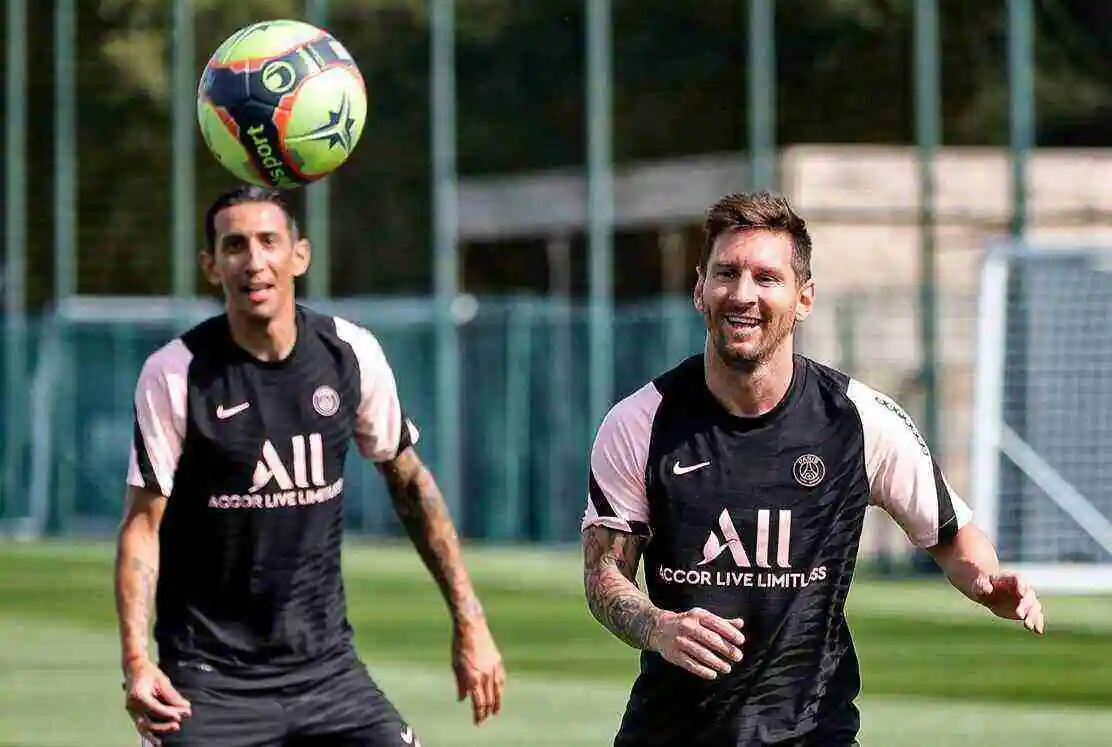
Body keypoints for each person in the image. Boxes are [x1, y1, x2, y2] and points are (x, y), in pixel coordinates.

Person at [579, 190, 1045, 747]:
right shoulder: (641, 422)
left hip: (811, 731)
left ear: (804, 298)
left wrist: (986, 582)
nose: (742, 295)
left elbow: (951, 536)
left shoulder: (860, 420)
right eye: (726, 273)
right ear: (700, 289)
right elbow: (604, 575)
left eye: (766, 277)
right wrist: (657, 626)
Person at [115, 185, 506, 746]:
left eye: (269, 241)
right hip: (208, 683)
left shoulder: (351, 353)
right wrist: (137, 661)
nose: (254, 262)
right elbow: (142, 526)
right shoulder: (176, 373)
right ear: (210, 265)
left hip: (327, 675)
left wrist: (471, 623)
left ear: (300, 255)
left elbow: (412, 486)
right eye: (235, 246)